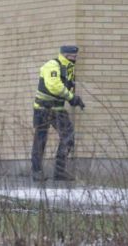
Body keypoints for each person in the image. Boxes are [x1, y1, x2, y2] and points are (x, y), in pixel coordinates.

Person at [30, 45, 85, 182]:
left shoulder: (69, 69)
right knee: (40, 140)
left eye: (76, 57)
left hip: (58, 109)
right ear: (65, 55)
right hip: (43, 108)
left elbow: (66, 86)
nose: (75, 59)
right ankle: (36, 172)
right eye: (73, 57)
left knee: (68, 136)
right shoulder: (52, 65)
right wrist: (71, 97)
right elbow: (54, 86)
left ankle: (59, 172)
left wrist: (74, 98)